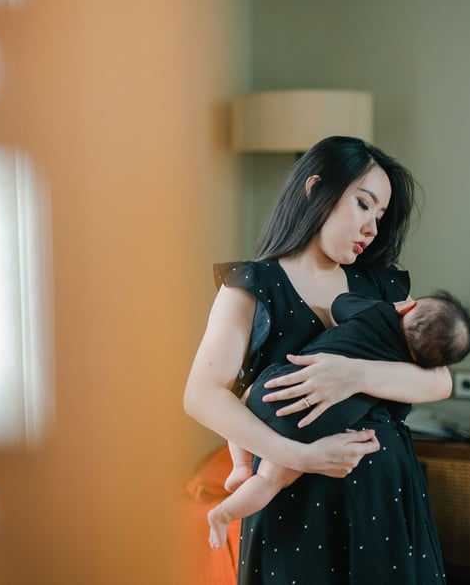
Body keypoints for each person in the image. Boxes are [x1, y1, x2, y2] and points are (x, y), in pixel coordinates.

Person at [184, 136, 454, 584]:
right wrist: (298, 456)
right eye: (363, 205)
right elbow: (201, 395)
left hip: (385, 497)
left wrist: (352, 375)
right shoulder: (252, 285)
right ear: (316, 189)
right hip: (293, 505)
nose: (372, 227)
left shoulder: (382, 287)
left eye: (381, 215)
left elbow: (439, 381)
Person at [207, 289, 470, 549]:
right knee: (269, 480)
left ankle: (240, 464)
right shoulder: (402, 370)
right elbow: (399, 412)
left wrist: (385, 308)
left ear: (408, 306)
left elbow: (340, 304)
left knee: (242, 401)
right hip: (311, 428)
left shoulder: (376, 314)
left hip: (279, 388)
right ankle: (223, 513)